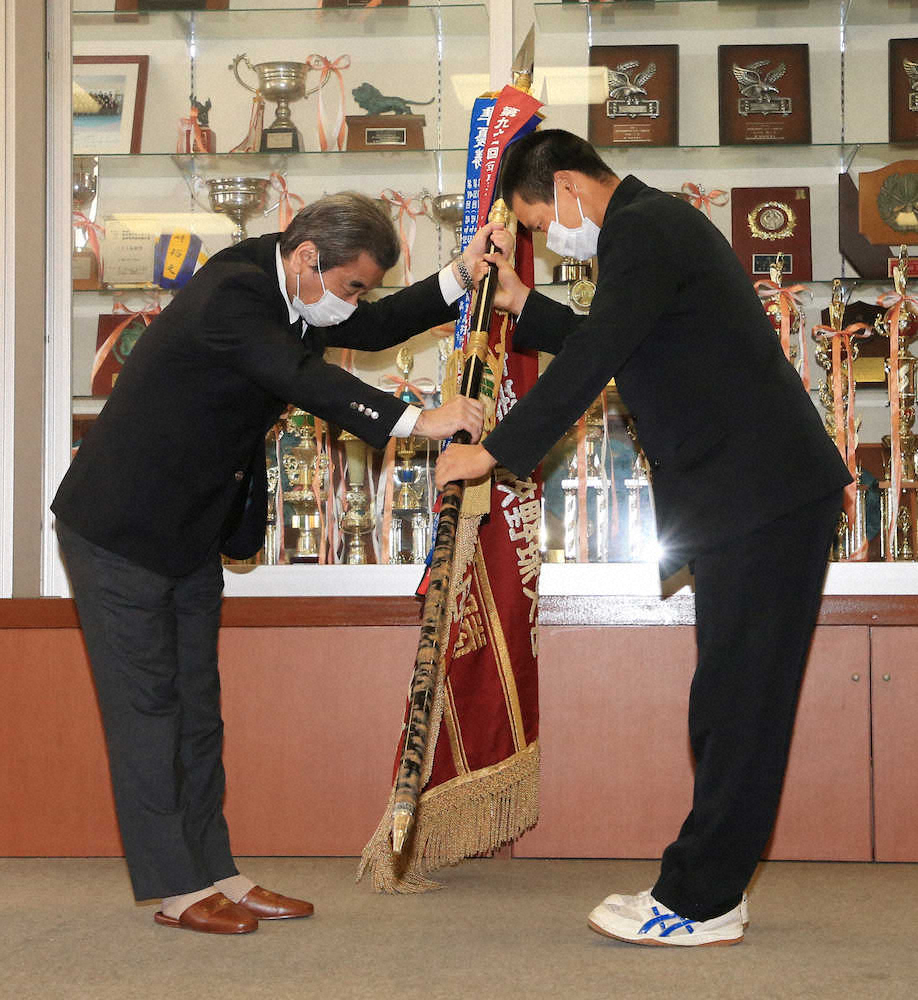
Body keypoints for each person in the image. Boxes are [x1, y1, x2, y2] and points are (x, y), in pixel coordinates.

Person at [435, 130, 851, 947]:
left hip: (763, 496)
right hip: (753, 497)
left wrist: (496, 451)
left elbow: (598, 354)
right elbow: (624, 340)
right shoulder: (649, 228)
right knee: (730, 701)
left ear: (567, 187)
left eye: (542, 222)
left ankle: (700, 902)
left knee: (739, 705)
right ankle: (712, 889)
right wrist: (523, 305)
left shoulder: (644, 229)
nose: (553, 238)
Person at [53, 192, 494, 936]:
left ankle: (214, 870)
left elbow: (371, 326)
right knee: (148, 711)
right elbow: (304, 379)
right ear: (308, 257)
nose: (353, 302)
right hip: (118, 530)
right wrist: (419, 420)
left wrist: (458, 274)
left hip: (190, 530)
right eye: (351, 285)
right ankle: (176, 888)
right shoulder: (234, 293)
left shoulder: (296, 289)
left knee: (197, 709)